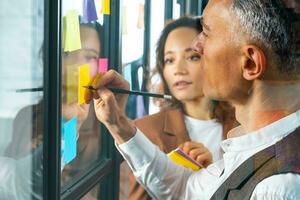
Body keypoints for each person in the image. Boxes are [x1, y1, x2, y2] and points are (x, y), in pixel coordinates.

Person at [85, 0, 300, 199]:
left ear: (250, 63)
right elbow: (185, 189)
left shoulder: (278, 187)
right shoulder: (257, 143)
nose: (197, 45)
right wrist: (117, 123)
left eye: (207, 32)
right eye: (170, 59)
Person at [128, 16, 237, 200]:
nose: (178, 69)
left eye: (192, 57)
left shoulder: (242, 121)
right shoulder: (145, 131)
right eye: (170, 60)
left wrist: (209, 177)